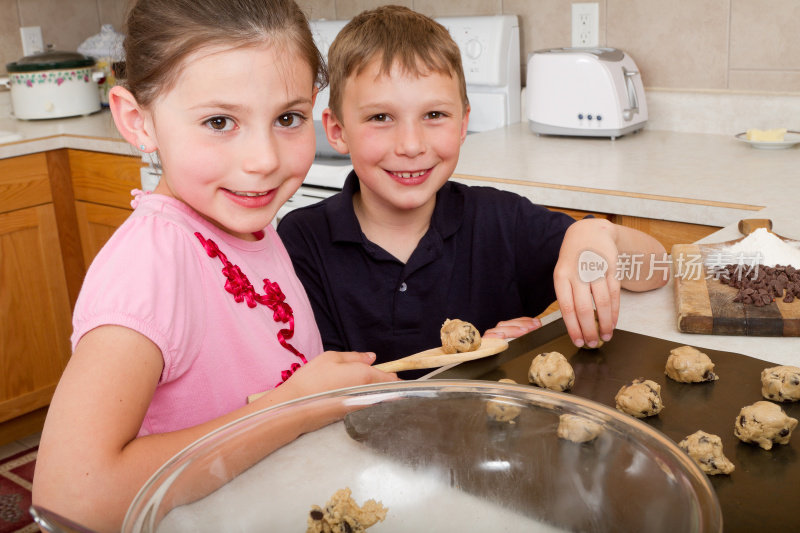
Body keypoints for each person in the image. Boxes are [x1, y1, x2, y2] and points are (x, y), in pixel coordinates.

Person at [32, 1, 397, 530]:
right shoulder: (151, 265)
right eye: (220, 121)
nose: (264, 159)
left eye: (287, 118)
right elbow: (71, 498)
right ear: (139, 121)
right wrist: (292, 408)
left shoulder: (251, 226)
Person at [277, 5, 668, 370]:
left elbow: (658, 268)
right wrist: (470, 361)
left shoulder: (501, 221)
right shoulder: (302, 241)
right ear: (336, 130)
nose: (411, 145)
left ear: (463, 123)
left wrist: (595, 232)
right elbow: (318, 387)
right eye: (381, 117)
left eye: (434, 115)